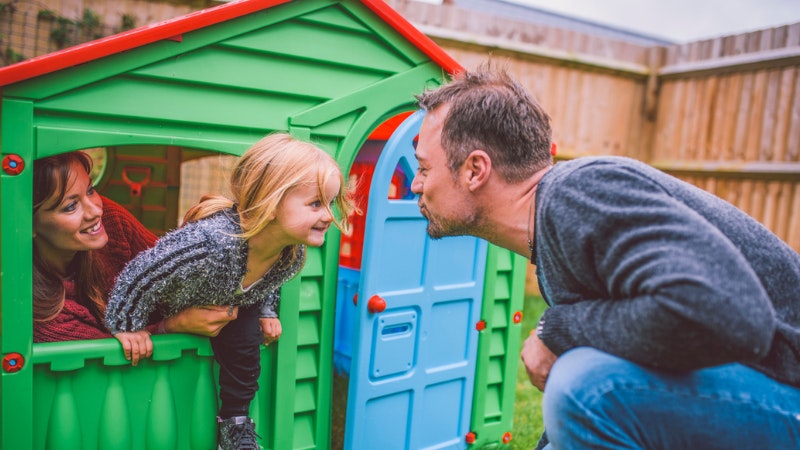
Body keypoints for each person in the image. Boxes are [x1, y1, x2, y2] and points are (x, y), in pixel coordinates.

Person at [410, 63, 800, 449]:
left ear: (475, 170)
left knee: (583, 386)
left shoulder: (577, 193)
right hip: (760, 389)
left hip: (788, 388)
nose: (415, 184)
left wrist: (555, 329)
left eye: (424, 168)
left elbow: (736, 316)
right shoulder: (557, 227)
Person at [104, 132, 355, 450]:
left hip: (228, 302)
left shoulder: (292, 253)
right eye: (316, 203)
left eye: (330, 203)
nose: (329, 215)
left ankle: (235, 425)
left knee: (247, 345)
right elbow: (142, 272)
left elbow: (268, 282)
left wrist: (267, 311)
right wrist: (128, 326)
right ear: (270, 202)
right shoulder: (212, 242)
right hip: (169, 303)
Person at [33, 151, 236, 342]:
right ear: (28, 223)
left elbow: (170, 268)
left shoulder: (110, 221)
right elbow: (103, 357)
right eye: (71, 206)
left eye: (90, 190)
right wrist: (171, 326)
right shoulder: (42, 313)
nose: (95, 211)